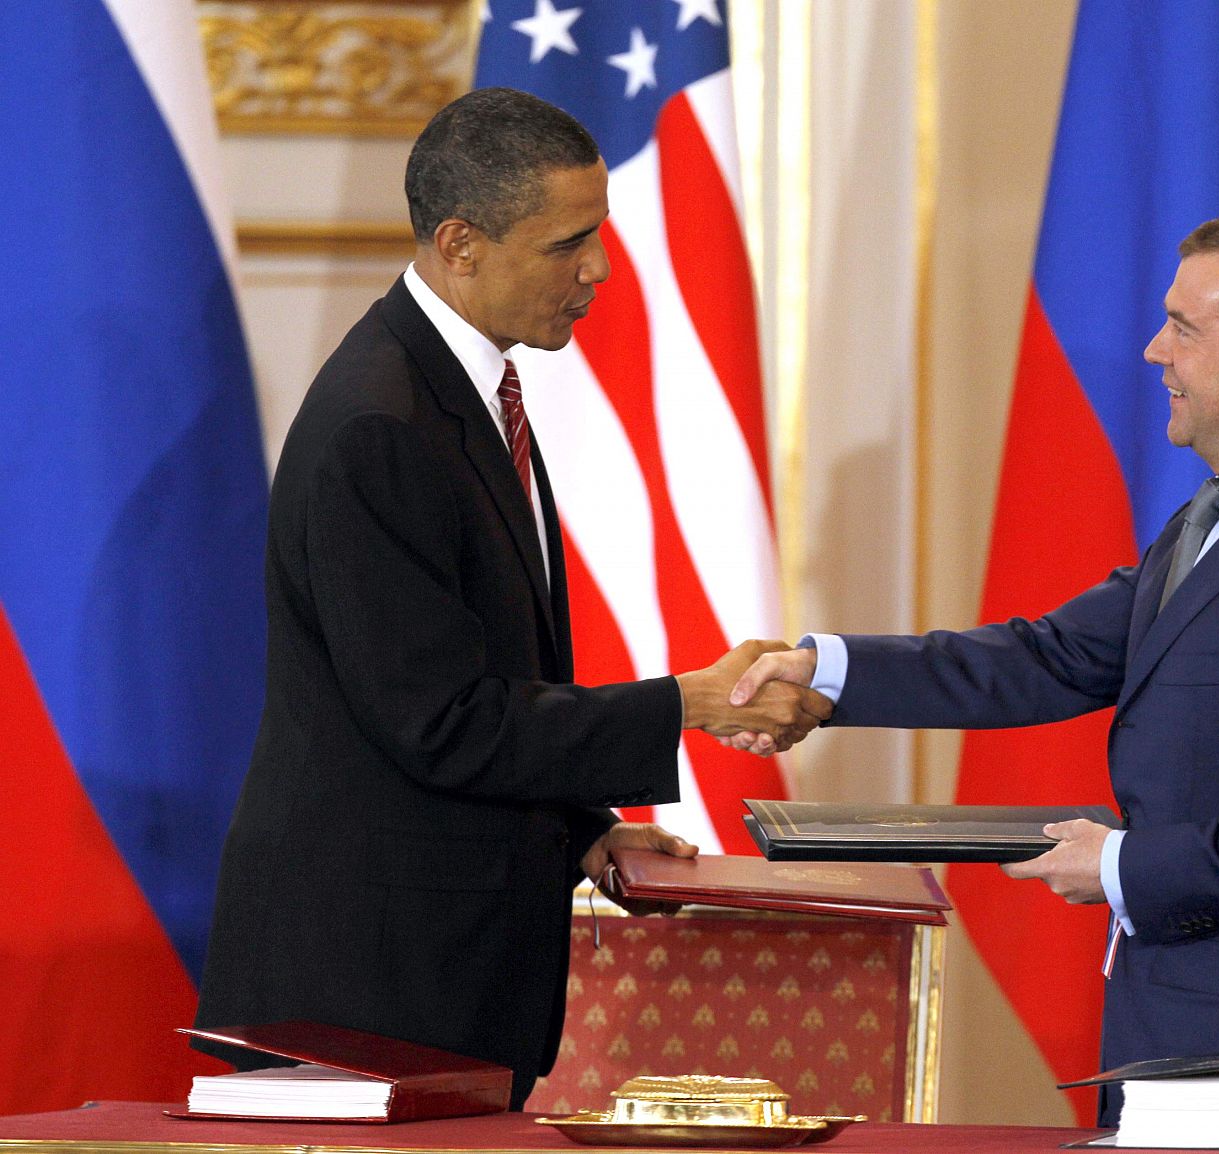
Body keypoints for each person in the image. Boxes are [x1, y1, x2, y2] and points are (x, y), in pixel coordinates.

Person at [193, 88, 831, 1105]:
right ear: (462, 243)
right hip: (364, 984)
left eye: (601, 234)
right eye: (566, 243)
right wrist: (691, 700)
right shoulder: (381, 423)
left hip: (433, 971)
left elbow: (488, 668)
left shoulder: (455, 393)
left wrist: (579, 824)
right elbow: (439, 719)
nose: (599, 270)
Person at [728, 210, 1219, 1125]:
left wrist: (1124, 863)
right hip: (1183, 1028)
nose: (1152, 350)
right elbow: (1045, 656)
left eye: (1183, 326)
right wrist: (823, 670)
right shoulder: (1214, 520)